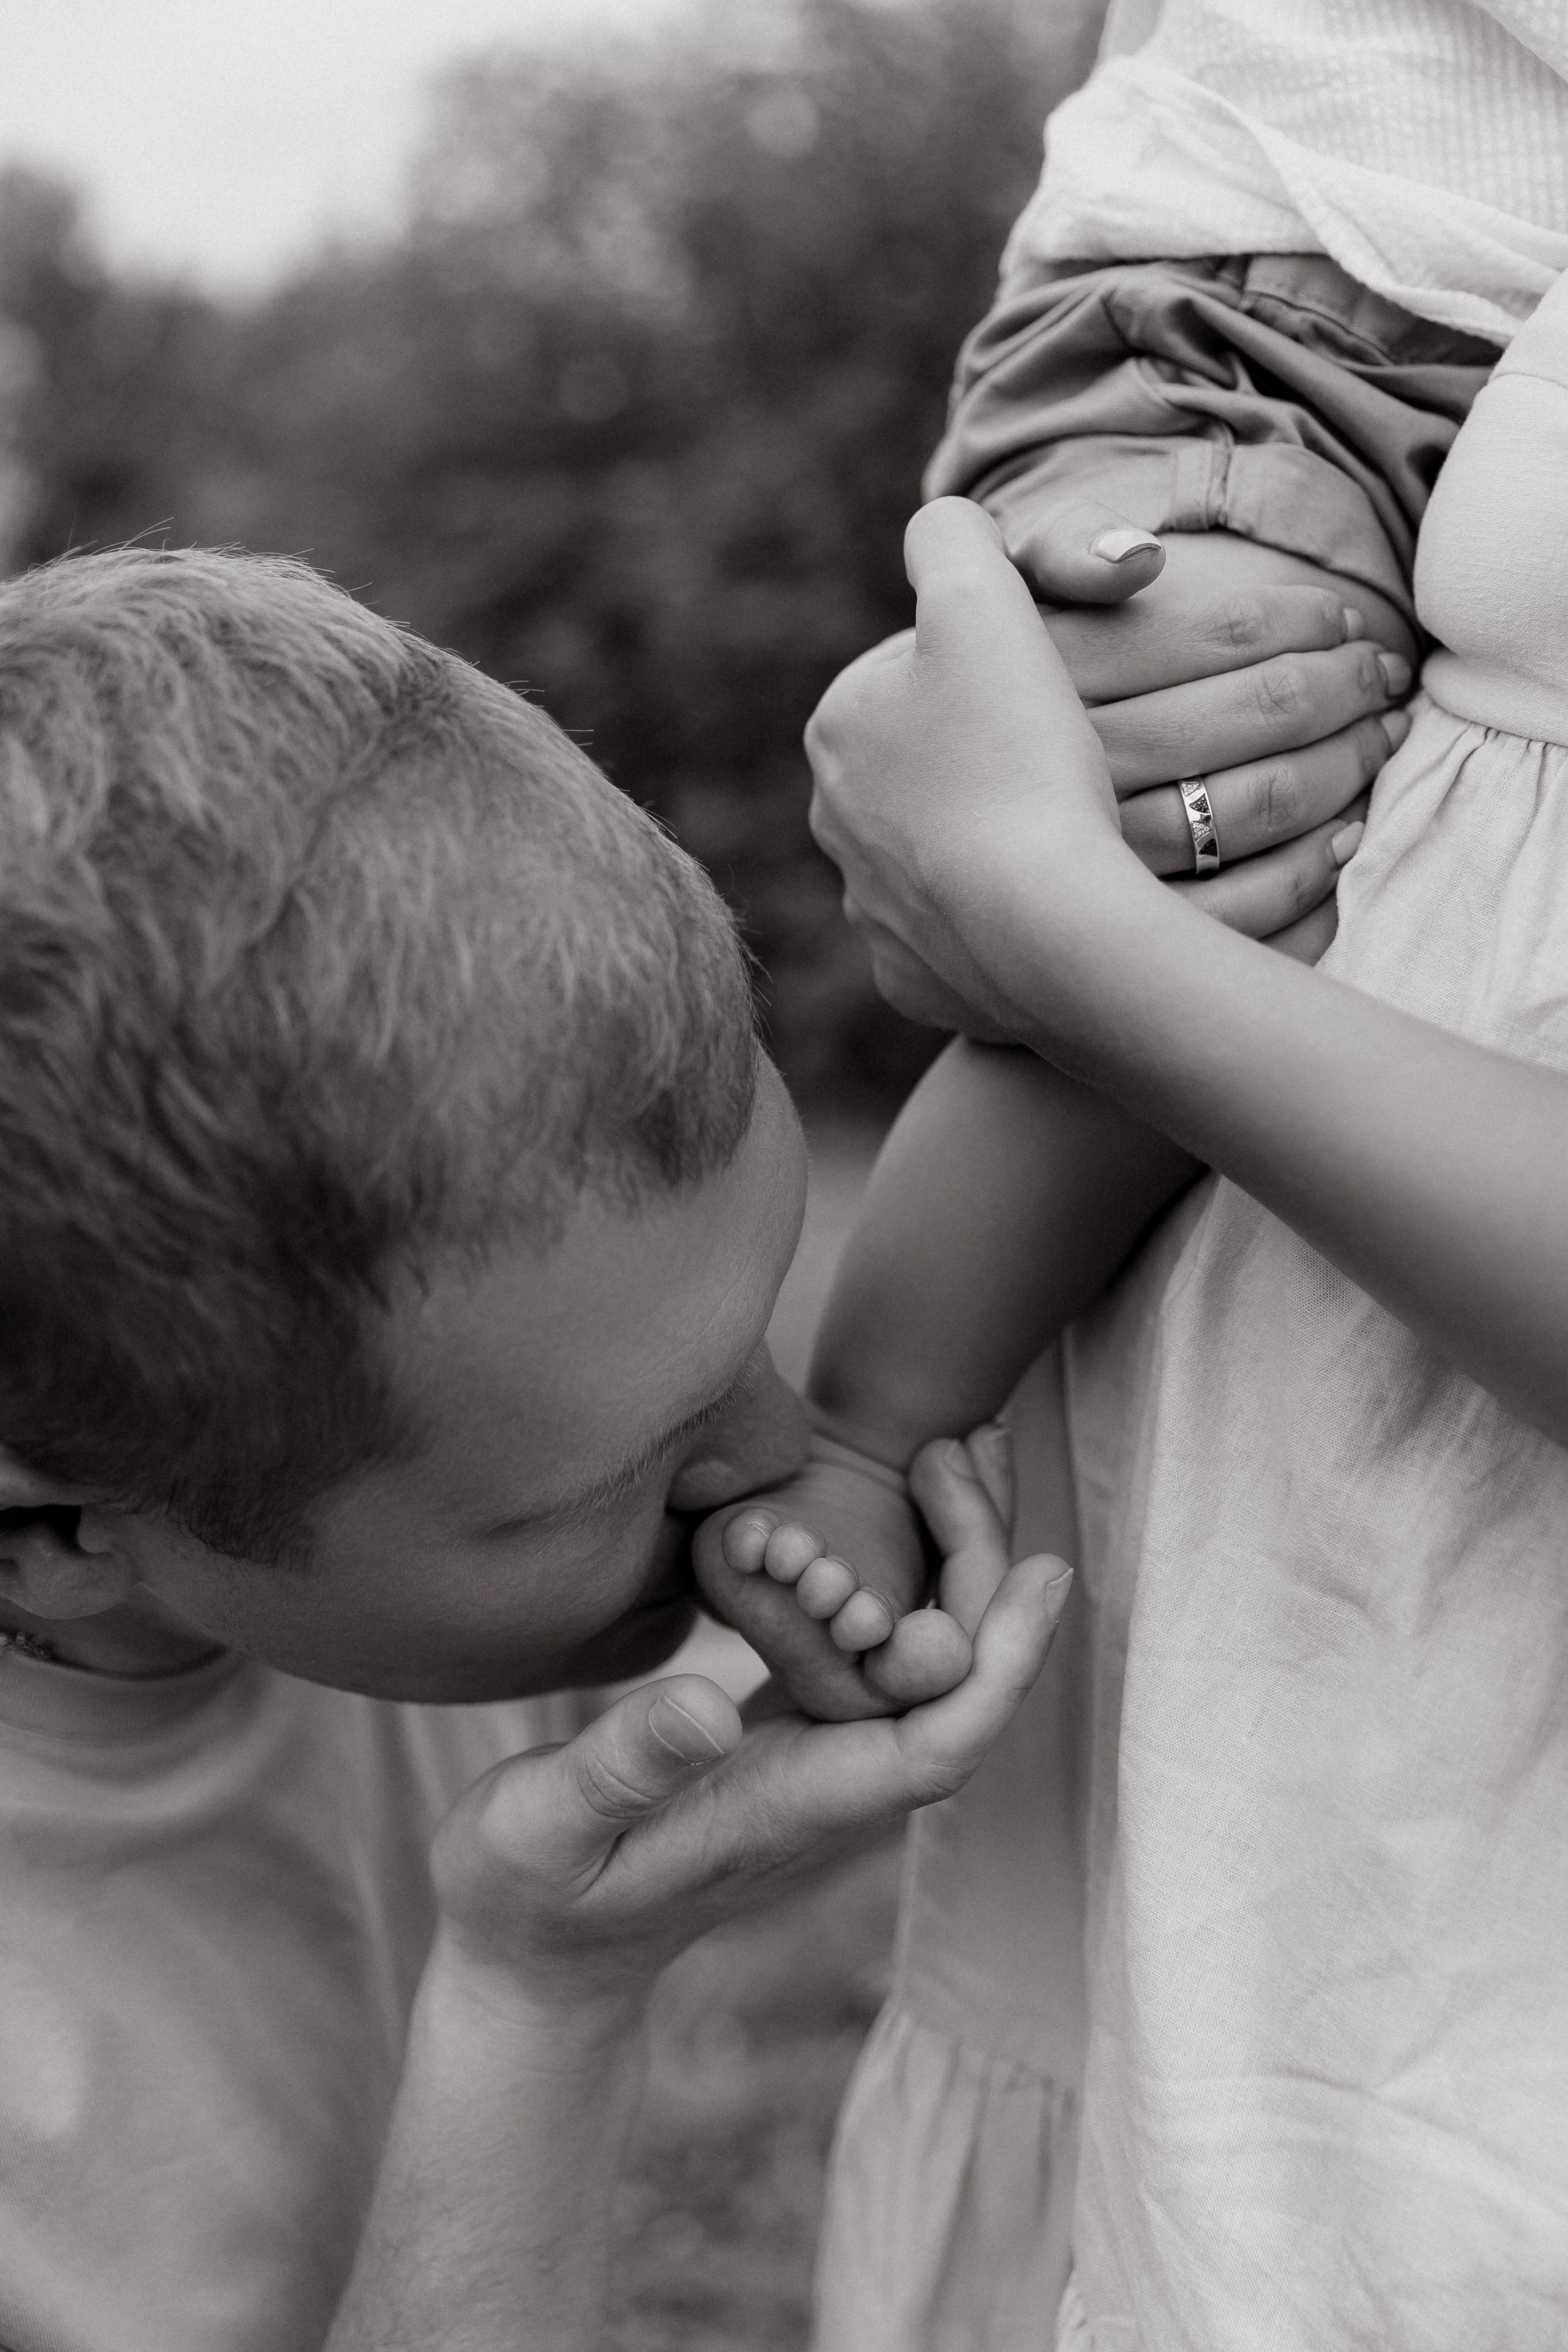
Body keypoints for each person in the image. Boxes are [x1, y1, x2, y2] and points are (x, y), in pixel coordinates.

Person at [687, 7, 1568, 2345]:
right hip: (1277, 307)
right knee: (1197, 850)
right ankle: (874, 1422)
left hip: (1380, 305)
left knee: (1150, 924)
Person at [0, 541, 1089, 2352]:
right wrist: (539, 2002)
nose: (772, 1453)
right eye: (620, 1480)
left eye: (758, 1318)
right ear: (44, 1537)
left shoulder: (382, 1528)